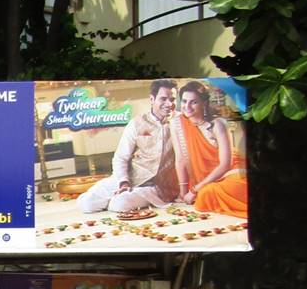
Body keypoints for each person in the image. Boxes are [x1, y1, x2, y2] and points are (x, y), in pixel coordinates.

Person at [79, 80, 178, 214]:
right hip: (131, 177)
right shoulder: (137, 123)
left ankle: (122, 198)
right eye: (163, 99)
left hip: (156, 185)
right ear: (152, 99)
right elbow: (121, 158)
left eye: (172, 99)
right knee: (86, 204)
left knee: (119, 205)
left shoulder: (180, 122)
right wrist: (123, 182)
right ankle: (119, 194)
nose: (169, 104)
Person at [172, 80, 248, 217]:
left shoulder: (216, 124)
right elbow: (180, 159)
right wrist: (183, 192)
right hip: (202, 180)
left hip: (230, 172)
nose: (187, 106)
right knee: (206, 194)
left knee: (213, 191)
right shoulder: (177, 123)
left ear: (204, 103)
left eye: (193, 102)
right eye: (184, 101)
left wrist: (195, 190)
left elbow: (225, 165)